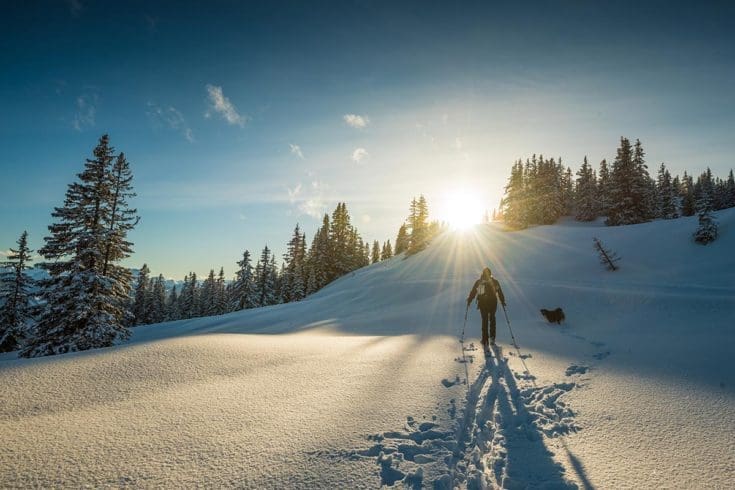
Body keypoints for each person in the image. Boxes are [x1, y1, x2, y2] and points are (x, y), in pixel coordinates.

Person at [466, 267, 506, 348]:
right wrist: (502, 301)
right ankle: (492, 338)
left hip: (482, 304)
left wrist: (469, 300)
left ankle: (485, 340)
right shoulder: (495, 282)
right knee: (492, 319)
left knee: (484, 320)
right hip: (493, 303)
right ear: (490, 274)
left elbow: (473, 291)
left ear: (482, 273)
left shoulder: (479, 282)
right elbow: (499, 292)